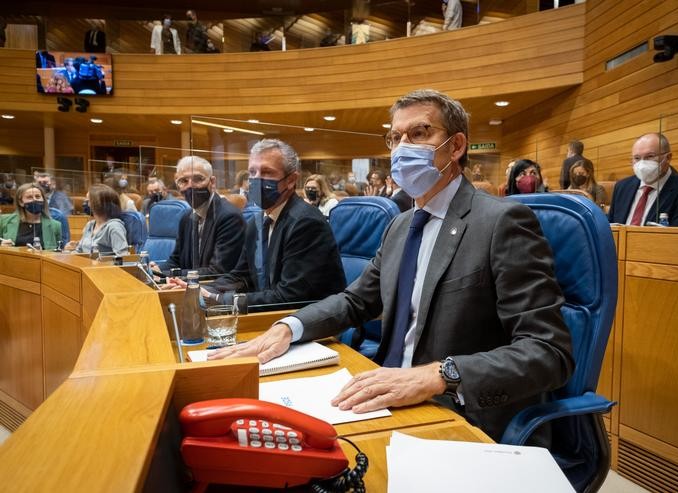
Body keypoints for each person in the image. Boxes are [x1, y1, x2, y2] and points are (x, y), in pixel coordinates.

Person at [209, 90, 573, 443]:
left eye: (419, 133)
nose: (402, 148)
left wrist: (441, 374)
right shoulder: (400, 225)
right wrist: (290, 327)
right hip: (383, 393)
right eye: (395, 137)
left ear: (457, 146)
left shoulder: (502, 221)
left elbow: (548, 352)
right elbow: (355, 301)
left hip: (455, 409)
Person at [199, 139, 346, 310]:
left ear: (291, 180)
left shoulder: (306, 223)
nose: (256, 179)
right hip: (274, 316)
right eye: (252, 172)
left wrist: (222, 300)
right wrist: (204, 289)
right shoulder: (256, 222)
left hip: (311, 323)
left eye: (267, 172)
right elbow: (241, 276)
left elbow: (290, 296)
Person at [151, 156, 245, 277]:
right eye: (184, 181)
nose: (191, 186)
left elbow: (218, 271)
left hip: (217, 290)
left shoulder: (229, 217)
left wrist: (166, 275)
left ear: (212, 182)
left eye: (198, 179)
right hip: (190, 288)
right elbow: (176, 260)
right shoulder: (186, 217)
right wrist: (155, 270)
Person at [608, 133, 678, 227]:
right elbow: (610, 227)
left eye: (650, 156)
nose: (642, 164)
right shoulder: (622, 187)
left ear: (668, 158)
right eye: (637, 158)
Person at [66, 184, 128, 257]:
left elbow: (122, 257)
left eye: (88, 201)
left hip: (103, 267)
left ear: (99, 204)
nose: (85, 204)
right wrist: (66, 254)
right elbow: (79, 251)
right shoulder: (90, 225)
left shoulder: (114, 227)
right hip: (86, 266)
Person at [0, 183, 62, 249]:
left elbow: (58, 252)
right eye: (29, 197)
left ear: (43, 200)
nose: (34, 199)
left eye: (38, 196)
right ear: (21, 202)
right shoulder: (4, 221)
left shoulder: (55, 225)